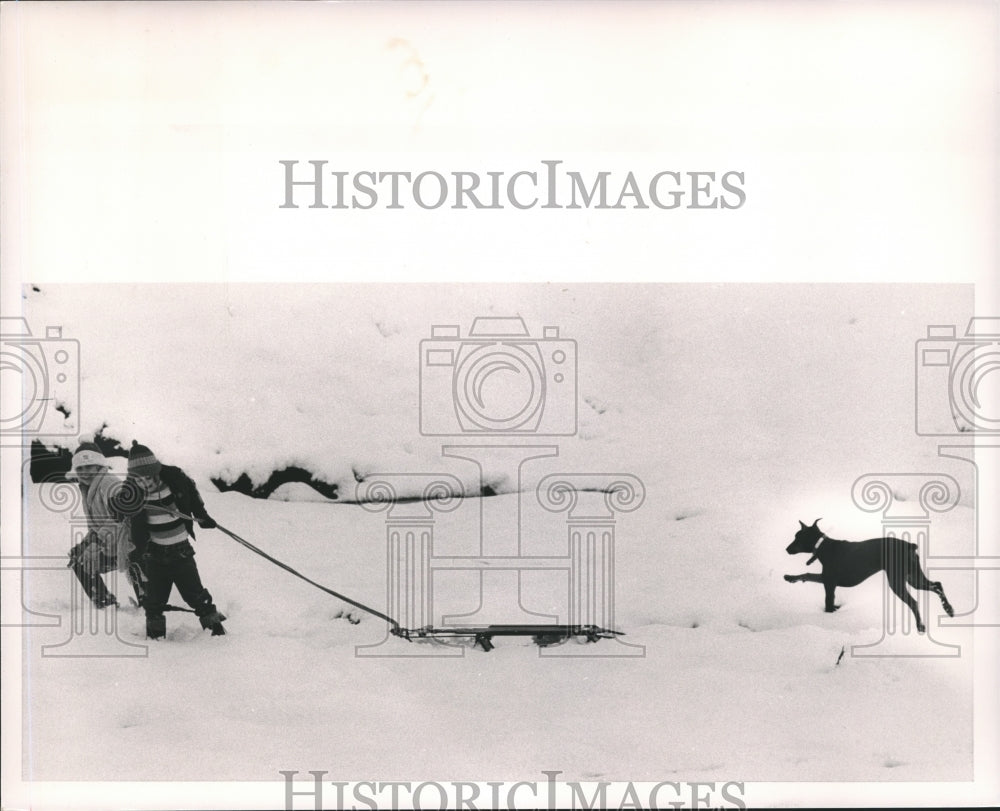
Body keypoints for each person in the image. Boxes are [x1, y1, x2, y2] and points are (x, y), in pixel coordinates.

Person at [120, 441, 226, 639]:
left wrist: (203, 516)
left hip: (181, 552)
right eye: (139, 480)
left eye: (149, 477)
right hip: (155, 555)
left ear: (156, 470)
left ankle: (216, 633)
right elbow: (118, 508)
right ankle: (155, 639)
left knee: (196, 595)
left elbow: (192, 496)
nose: (145, 483)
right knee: (153, 602)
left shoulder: (174, 479)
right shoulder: (133, 494)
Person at [66, 442, 143, 608]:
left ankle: (148, 605)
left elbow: (121, 518)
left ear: (99, 465)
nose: (84, 472)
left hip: (132, 544)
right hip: (111, 544)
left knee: (147, 594)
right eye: (80, 468)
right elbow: (97, 525)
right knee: (79, 560)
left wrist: (95, 544)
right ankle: (105, 603)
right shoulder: (87, 487)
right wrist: (86, 543)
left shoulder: (108, 483)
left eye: (89, 467)